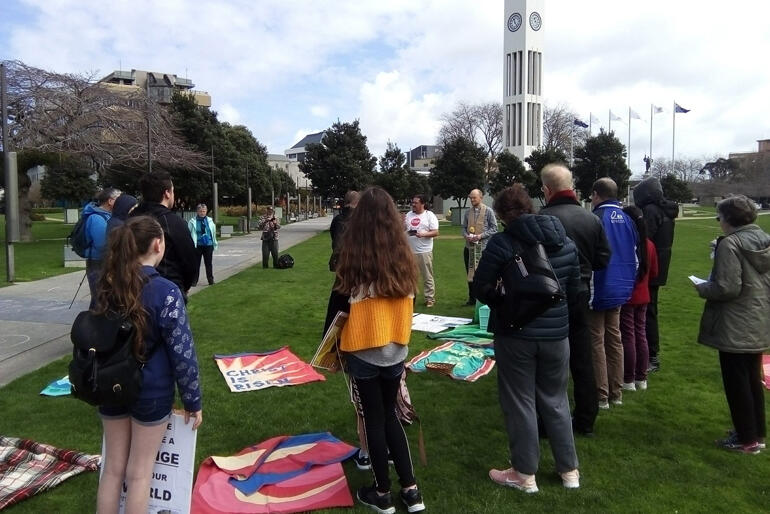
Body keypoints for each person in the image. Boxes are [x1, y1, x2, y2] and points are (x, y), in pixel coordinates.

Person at [473, 184, 581, 493]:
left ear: (504, 215)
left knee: (520, 401)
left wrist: (507, 305)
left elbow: (481, 287)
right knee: (556, 400)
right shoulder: (567, 243)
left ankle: (524, 473)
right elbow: (574, 292)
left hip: (516, 334)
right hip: (556, 334)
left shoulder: (502, 243)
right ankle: (569, 471)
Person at [95, 216, 202, 514]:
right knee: (140, 472)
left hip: (109, 385)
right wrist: (193, 400)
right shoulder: (165, 291)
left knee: (113, 469)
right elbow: (183, 353)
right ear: (158, 244)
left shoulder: (106, 284)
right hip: (150, 390)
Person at [336, 186, 425, 513]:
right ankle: (411, 492)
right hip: (394, 349)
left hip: (364, 350)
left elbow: (340, 301)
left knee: (375, 418)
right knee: (389, 417)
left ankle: (383, 492)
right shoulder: (403, 256)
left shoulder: (354, 257)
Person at [694, 195, 770, 454]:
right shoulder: (763, 240)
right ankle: (755, 432)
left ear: (728, 219)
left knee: (737, 380)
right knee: (751, 378)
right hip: (758, 316)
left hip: (736, 320)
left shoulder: (731, 244)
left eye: (720, 217)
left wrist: (703, 287)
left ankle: (746, 440)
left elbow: (727, 287)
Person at [540, 164, 610, 436]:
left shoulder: (543, 218)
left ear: (547, 190)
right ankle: (585, 420)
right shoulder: (591, 219)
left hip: (549, 295)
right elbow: (604, 258)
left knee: (548, 361)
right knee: (582, 358)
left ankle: (547, 422)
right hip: (580, 293)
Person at [589, 178, 638, 410]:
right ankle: (616, 392)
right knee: (614, 338)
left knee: (597, 339)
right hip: (622, 286)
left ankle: (602, 395)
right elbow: (635, 256)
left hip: (600, 285)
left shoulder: (596, 219)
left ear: (597, 195)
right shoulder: (628, 219)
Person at [632, 176, 678, 372]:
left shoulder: (652, 211)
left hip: (650, 266)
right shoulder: (666, 210)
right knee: (650, 309)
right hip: (658, 265)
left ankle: (651, 355)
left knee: (647, 311)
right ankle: (649, 352)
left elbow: (644, 237)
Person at [131, 171, 198, 301]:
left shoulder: (130, 219)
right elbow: (190, 262)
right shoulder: (173, 223)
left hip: (131, 289)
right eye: (173, 190)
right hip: (167, 291)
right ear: (167, 193)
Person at [620, 205, 658, 392]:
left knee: (628, 335)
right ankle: (640, 377)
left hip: (629, 295)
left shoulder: (627, 244)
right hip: (643, 294)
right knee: (640, 334)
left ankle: (629, 378)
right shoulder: (649, 244)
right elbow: (654, 272)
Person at [83, 187, 120, 307]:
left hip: (103, 263)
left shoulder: (107, 216)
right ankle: (93, 324)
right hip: (98, 264)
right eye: (118, 199)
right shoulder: (97, 218)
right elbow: (102, 245)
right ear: (110, 201)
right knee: (100, 299)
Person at [461, 188, 497, 305]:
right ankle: (472, 298)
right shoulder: (468, 212)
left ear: (481, 198)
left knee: (483, 275)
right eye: (470, 197)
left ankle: (483, 298)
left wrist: (480, 236)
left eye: (474, 197)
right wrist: (467, 236)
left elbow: (494, 228)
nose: (472, 199)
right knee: (470, 273)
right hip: (469, 248)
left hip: (483, 248)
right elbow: (463, 227)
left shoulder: (488, 211)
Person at [405, 194, 439, 307]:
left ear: (423, 204)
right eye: (412, 202)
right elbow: (403, 229)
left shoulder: (429, 215)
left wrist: (424, 234)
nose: (413, 205)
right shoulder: (409, 215)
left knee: (427, 276)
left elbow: (435, 232)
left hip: (424, 251)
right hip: (410, 251)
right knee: (410, 276)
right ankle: (411, 297)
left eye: (416, 203)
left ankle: (430, 298)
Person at [329, 191, 359, 272]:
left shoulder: (337, 219)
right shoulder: (361, 219)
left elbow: (334, 238)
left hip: (341, 261)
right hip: (357, 261)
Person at [188, 204, 218, 286]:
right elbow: (189, 233)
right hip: (197, 245)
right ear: (197, 211)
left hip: (208, 245)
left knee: (208, 264)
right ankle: (194, 281)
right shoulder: (192, 221)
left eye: (204, 211)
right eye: (200, 211)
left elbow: (213, 232)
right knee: (196, 264)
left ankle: (210, 280)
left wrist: (214, 242)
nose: (202, 213)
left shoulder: (210, 221)